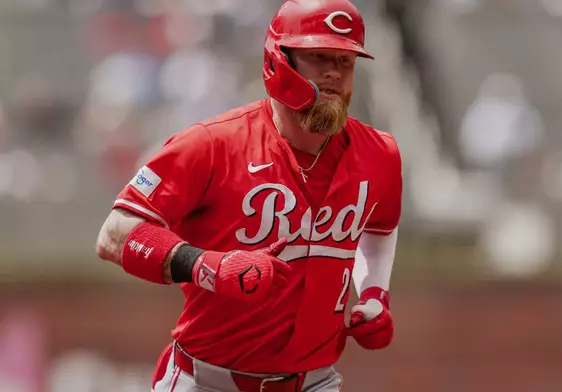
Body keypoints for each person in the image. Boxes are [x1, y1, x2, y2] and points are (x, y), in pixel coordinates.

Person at [95, 0, 402, 391]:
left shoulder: (380, 154)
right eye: (318, 56)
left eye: (346, 60)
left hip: (315, 382)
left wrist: (374, 293)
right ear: (278, 60)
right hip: (206, 380)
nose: (334, 73)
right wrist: (206, 265)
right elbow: (115, 233)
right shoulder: (210, 144)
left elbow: (378, 226)